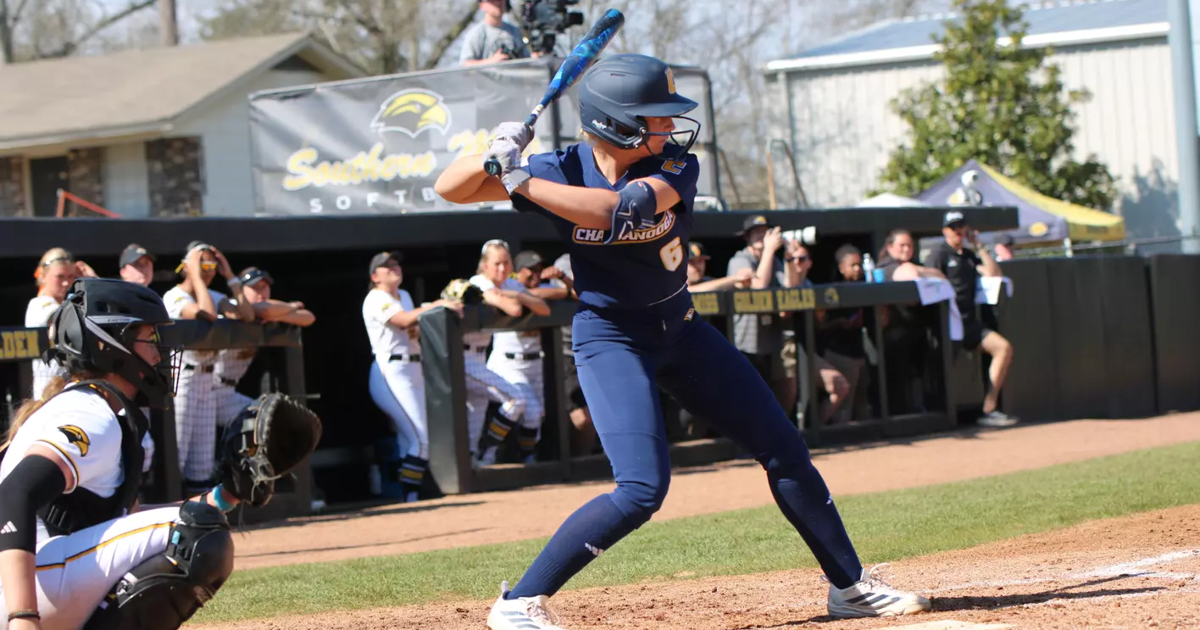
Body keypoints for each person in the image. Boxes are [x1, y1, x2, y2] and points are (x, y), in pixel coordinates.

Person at [435, 52, 930, 628]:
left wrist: (519, 177)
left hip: (682, 330)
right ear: (616, 125)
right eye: (656, 117)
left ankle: (849, 589)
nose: (671, 127)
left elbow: (618, 210)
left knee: (785, 451)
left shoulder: (674, 165)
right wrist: (495, 152)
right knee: (642, 489)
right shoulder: (560, 167)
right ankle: (519, 603)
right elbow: (450, 188)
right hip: (611, 337)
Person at [0, 278, 249, 630]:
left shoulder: (96, 407)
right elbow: (13, 494)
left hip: (37, 577)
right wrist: (22, 617)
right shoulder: (90, 412)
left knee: (193, 523)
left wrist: (228, 495)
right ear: (110, 344)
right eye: (150, 337)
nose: (158, 351)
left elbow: (125, 524)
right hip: (23, 588)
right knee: (197, 533)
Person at [363, 252, 462, 502]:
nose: (394, 268)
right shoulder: (375, 298)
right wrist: (437, 305)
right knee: (421, 438)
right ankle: (411, 497)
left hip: (413, 367)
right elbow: (403, 319)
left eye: (396, 264)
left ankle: (402, 494)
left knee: (409, 439)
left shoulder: (404, 295)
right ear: (375, 276)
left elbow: (412, 327)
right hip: (391, 371)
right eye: (387, 267)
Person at [162, 242, 254, 494]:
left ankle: (199, 517)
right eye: (203, 264)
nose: (209, 270)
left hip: (206, 380)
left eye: (213, 265)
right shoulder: (174, 296)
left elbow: (246, 315)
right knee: (176, 454)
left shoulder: (213, 295)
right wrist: (194, 274)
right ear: (187, 265)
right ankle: (166, 512)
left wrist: (230, 276)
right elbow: (207, 314)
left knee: (201, 461)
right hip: (183, 378)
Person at [924, 212, 1017, 428]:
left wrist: (979, 246)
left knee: (1003, 348)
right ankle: (939, 416)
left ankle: (989, 409)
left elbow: (994, 274)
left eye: (961, 226)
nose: (958, 231)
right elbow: (929, 278)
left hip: (969, 323)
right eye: (953, 227)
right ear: (945, 230)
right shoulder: (939, 253)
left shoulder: (968, 254)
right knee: (944, 370)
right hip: (946, 323)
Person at [468, 241, 549, 465]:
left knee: (476, 421)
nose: (502, 269)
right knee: (518, 400)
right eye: (497, 264)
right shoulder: (477, 282)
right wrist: (517, 297)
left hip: (480, 356)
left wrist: (519, 295)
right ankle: (489, 454)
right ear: (484, 265)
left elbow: (544, 309)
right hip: (465, 358)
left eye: (506, 263)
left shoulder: (510, 284)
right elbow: (513, 309)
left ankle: (487, 457)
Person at [214, 267, 316, 431]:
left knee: (270, 420)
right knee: (186, 451)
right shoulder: (233, 306)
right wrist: (291, 306)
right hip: (205, 387)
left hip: (226, 392)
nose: (261, 291)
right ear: (241, 289)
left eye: (264, 286)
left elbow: (308, 317)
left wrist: (278, 315)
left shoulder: (272, 310)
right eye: (254, 287)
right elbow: (263, 309)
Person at [25, 248, 97, 400]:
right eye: (59, 276)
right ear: (43, 276)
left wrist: (92, 280)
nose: (66, 282)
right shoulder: (38, 304)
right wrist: (92, 286)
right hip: (48, 396)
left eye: (71, 276)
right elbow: (66, 318)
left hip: (71, 390)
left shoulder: (68, 303)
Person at [460, 0, 531, 66]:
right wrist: (491, 62)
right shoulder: (476, 34)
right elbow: (465, 65)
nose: (499, 3)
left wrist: (534, 59)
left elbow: (526, 61)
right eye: (493, 0)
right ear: (482, 5)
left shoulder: (515, 31)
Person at [877, 230, 946, 282]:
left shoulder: (915, 263)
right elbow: (911, 275)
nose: (906, 249)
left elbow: (940, 275)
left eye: (909, 245)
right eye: (902, 245)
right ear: (890, 247)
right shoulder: (885, 265)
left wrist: (917, 269)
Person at [685, 241, 752, 292]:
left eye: (700, 261)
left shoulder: (708, 280)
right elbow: (693, 291)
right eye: (692, 262)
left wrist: (740, 284)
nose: (697, 266)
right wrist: (734, 278)